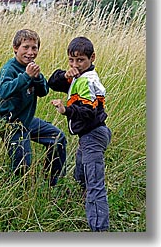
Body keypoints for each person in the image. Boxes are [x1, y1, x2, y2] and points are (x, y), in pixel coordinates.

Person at [48, 36, 111, 231]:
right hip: (90, 136)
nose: (75, 64)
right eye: (71, 60)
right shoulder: (79, 77)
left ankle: (99, 230)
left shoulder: (87, 81)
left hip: (93, 135)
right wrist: (67, 75)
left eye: (80, 60)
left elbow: (88, 112)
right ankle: (78, 204)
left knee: (95, 185)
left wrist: (66, 110)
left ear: (92, 58)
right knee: (80, 174)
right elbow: (52, 83)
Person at [0, 29, 66, 186]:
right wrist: (26, 76)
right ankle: (17, 192)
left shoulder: (32, 67)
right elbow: (4, 91)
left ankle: (53, 183)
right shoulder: (10, 68)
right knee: (23, 164)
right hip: (10, 123)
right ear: (15, 48)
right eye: (25, 47)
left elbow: (43, 92)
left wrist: (38, 78)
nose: (30, 52)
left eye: (34, 48)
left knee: (58, 138)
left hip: (26, 120)